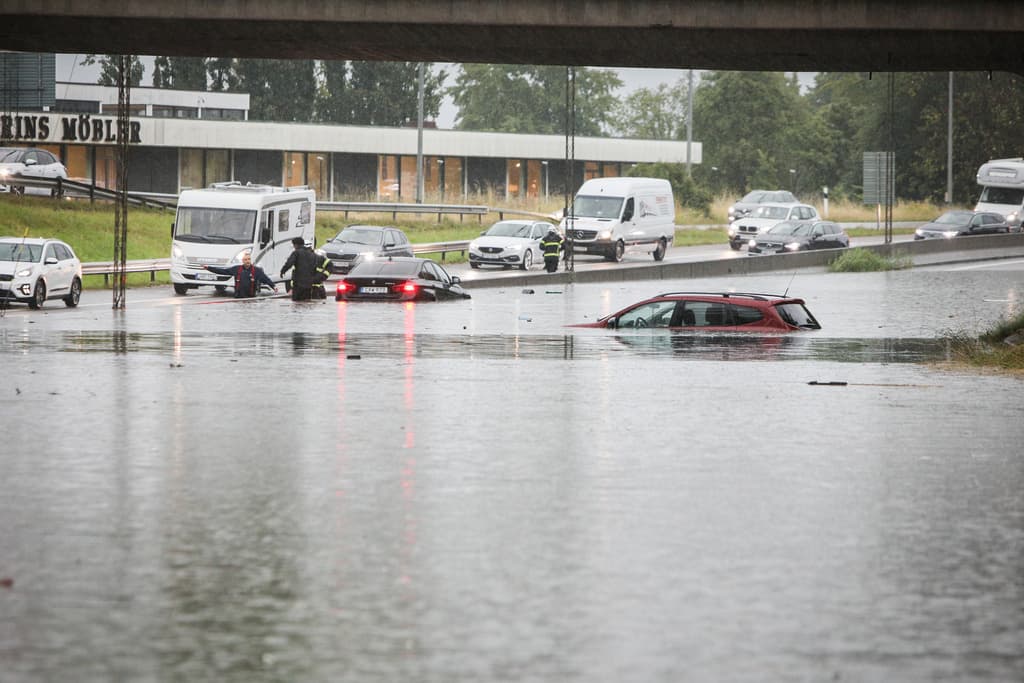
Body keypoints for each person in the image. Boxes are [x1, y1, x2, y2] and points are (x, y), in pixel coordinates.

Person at [202, 251, 277, 298]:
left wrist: (274, 287)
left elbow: (266, 279)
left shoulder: (257, 271)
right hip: (238, 297)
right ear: (242, 261)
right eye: (245, 260)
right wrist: (209, 268)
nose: (248, 261)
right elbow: (222, 271)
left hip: (251, 298)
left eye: (249, 259)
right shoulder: (236, 269)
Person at [280, 237, 319, 301]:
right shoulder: (313, 255)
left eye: (294, 245)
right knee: (306, 302)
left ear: (296, 245)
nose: (294, 247)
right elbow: (316, 268)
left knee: (296, 302)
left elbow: (289, 263)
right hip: (309, 284)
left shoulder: (296, 253)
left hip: (298, 283)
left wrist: (283, 271)